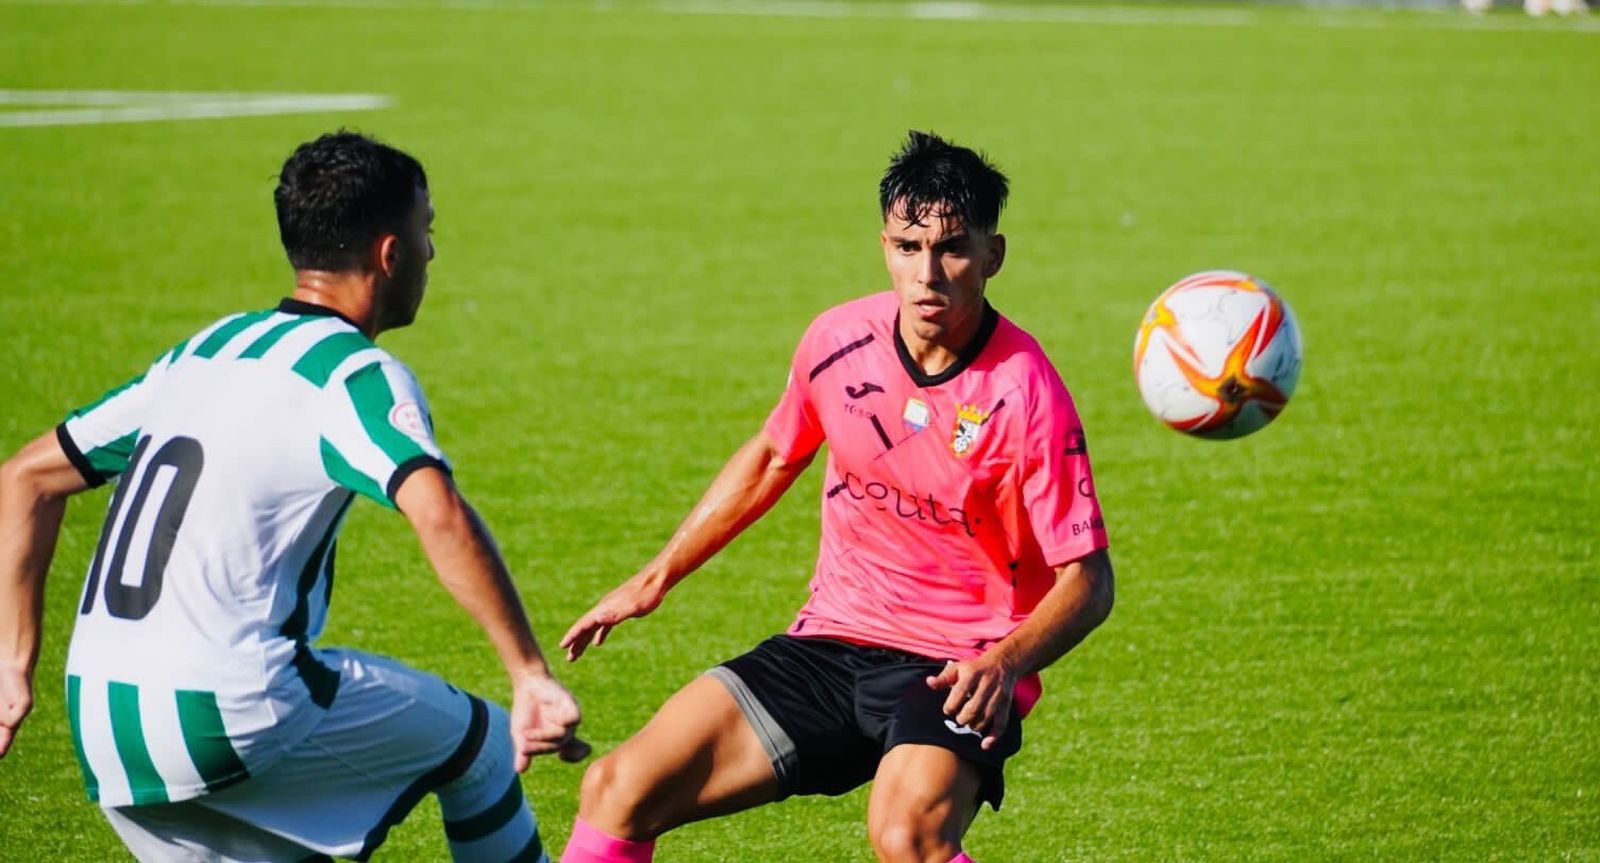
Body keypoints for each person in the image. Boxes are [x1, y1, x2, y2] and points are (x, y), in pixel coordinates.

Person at [0, 131, 585, 862]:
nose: (432, 251)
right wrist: (529, 673)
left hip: (101, 722)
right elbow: (438, 511)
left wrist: (11, 665)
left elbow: (24, 477)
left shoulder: (207, 349)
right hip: (232, 710)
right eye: (426, 229)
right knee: (484, 745)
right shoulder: (353, 375)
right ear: (389, 252)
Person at [557, 131, 1115, 863]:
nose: (928, 275)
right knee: (618, 788)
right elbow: (769, 458)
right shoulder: (839, 339)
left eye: (951, 248)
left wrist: (1005, 663)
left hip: (954, 666)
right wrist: (653, 578)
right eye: (907, 247)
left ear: (992, 255)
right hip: (829, 641)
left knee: (906, 835)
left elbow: (1090, 581)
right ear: (884, 244)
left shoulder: (1027, 394)